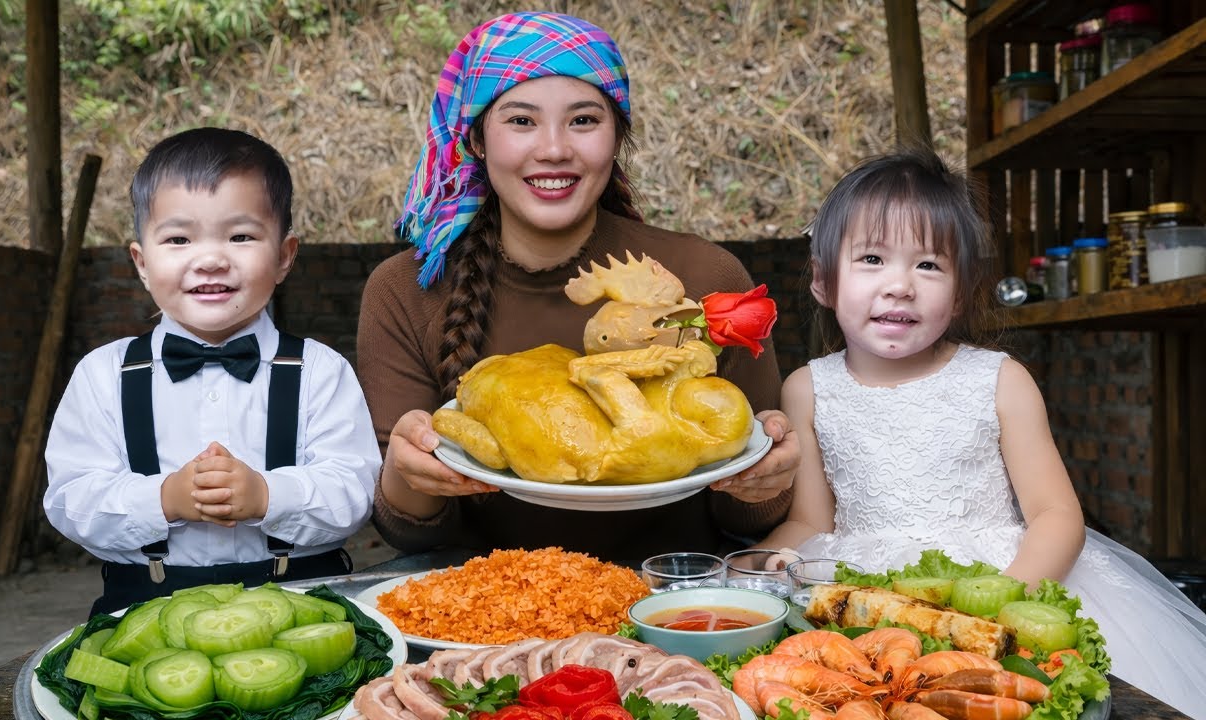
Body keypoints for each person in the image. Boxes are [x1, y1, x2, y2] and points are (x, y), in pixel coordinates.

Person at [753, 147, 1206, 715]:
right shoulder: (807, 388)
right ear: (824, 280)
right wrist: (755, 562)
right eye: (871, 258)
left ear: (962, 291)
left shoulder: (999, 379)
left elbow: (1056, 514)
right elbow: (812, 521)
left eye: (928, 265)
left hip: (1002, 580)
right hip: (866, 599)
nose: (900, 285)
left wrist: (999, 607)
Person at [356, 12, 800, 563]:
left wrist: (767, 480)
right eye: (521, 121)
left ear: (617, 137)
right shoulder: (405, 289)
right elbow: (409, 533)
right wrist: (409, 469)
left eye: (583, 120)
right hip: (486, 600)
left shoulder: (705, 278)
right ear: (475, 139)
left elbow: (752, 515)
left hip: (673, 595)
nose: (554, 149)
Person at [44, 127, 381, 616]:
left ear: (284, 256)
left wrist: (268, 495)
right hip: (142, 608)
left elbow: (353, 491)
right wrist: (164, 498)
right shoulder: (103, 375)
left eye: (240, 236)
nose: (209, 260)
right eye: (178, 239)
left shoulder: (321, 371)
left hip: (304, 606)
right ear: (141, 262)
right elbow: (71, 499)